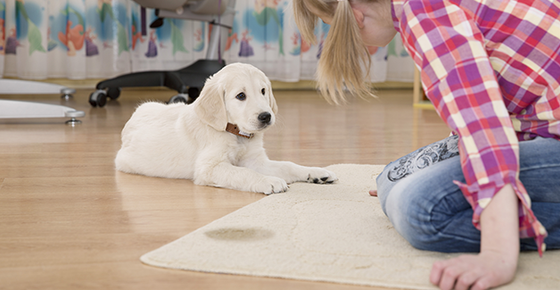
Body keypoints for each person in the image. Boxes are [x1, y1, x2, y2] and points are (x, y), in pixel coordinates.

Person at [292, 0, 560, 289]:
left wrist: (497, 254)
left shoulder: (425, 15)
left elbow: (485, 130)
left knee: (418, 207)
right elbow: (476, 105)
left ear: (356, 17)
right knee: (391, 178)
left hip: (537, 133)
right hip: (531, 127)